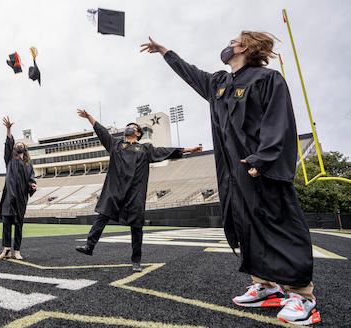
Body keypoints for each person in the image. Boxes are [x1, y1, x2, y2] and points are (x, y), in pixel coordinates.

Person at [141, 31, 319, 325]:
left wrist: (263, 159)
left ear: (245, 47)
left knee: (280, 224)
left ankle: (302, 296)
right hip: (232, 170)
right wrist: (164, 51)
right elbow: (191, 74)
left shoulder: (267, 79)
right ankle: (265, 285)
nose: (228, 44)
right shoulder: (220, 83)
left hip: (260, 166)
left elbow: (280, 121)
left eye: (234, 40)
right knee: (245, 225)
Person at [74, 109, 202, 271]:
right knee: (102, 216)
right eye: (127, 126)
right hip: (115, 190)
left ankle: (136, 261)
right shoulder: (116, 145)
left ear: (138, 133)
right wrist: (89, 117)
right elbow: (102, 132)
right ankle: (89, 246)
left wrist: (188, 150)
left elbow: (164, 152)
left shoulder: (145, 149)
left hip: (134, 193)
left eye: (132, 127)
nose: (128, 128)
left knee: (136, 227)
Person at [0, 116, 37, 260]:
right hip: (8, 197)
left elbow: (31, 179)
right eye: (16, 143)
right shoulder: (10, 159)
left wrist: (33, 185)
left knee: (18, 225)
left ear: (25, 148)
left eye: (21, 143)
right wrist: (8, 129)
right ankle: (6, 250)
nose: (18, 144)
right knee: (6, 223)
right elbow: (8, 144)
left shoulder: (28, 165)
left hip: (20, 199)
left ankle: (17, 251)